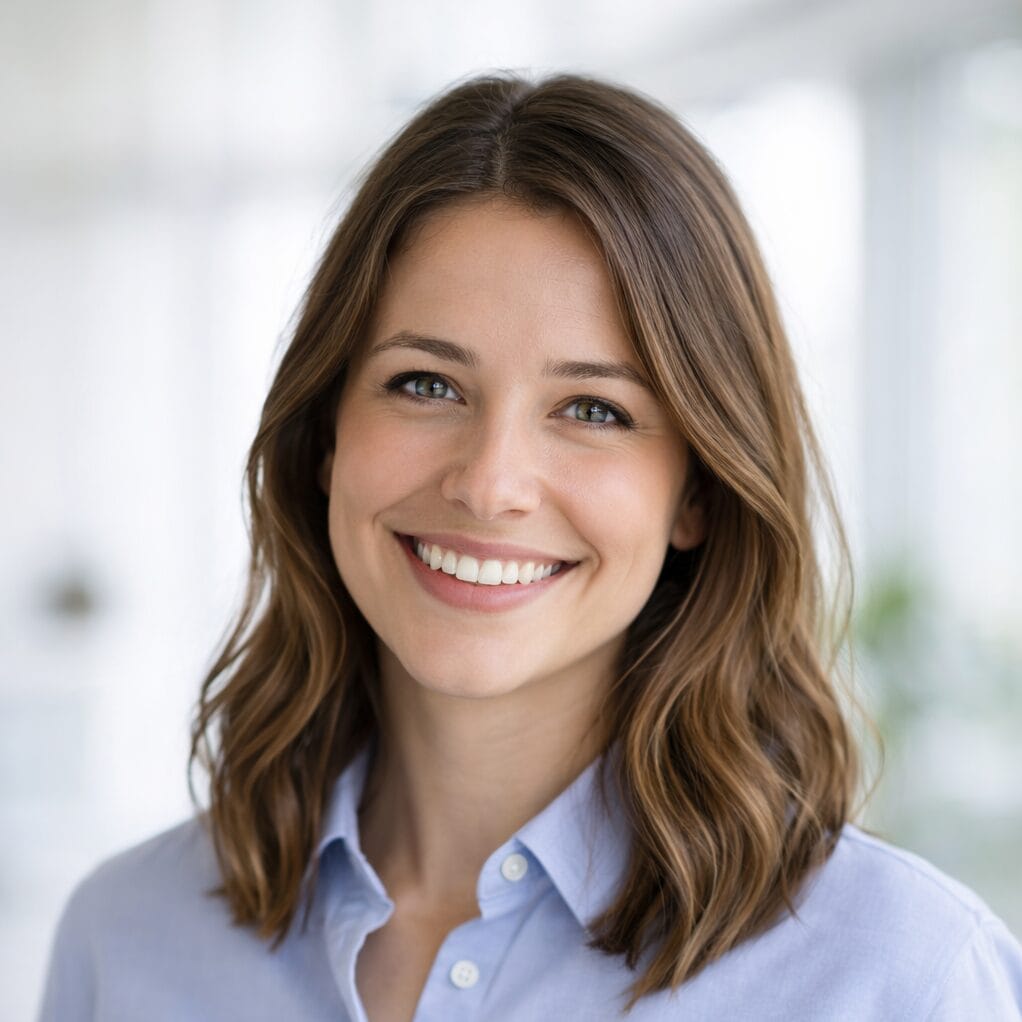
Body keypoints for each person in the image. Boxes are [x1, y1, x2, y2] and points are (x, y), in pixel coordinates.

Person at [39, 73, 1022, 1022]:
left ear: (697, 492)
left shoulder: (903, 979)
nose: (488, 481)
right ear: (326, 434)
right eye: (425, 383)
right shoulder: (125, 940)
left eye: (592, 408)